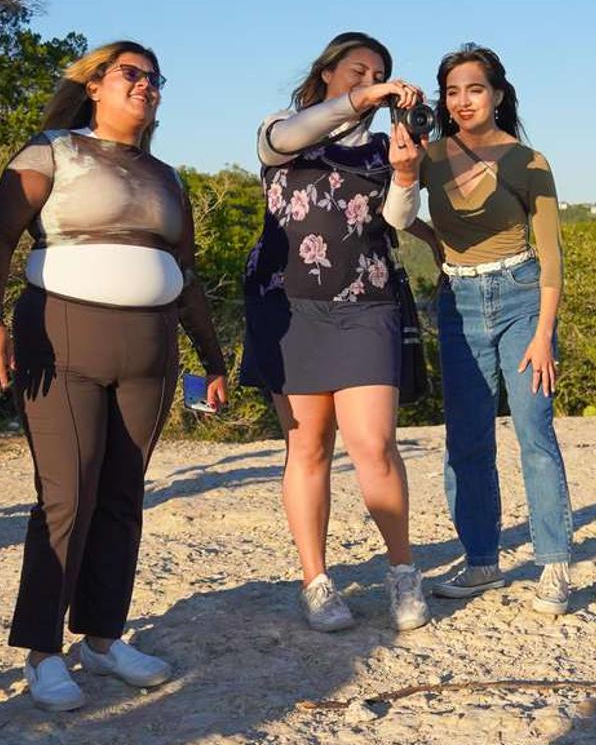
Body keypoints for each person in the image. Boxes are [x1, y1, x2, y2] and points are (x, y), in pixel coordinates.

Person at [0, 41, 229, 713]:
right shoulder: (51, 151)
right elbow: (0, 238)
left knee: (122, 493)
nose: (145, 85)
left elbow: (186, 273)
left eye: (154, 77)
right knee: (68, 494)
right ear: (94, 85)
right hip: (62, 336)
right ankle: (42, 650)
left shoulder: (167, 176)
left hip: (151, 349)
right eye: (130, 74)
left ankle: (104, 638)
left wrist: (212, 357)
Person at [238, 32, 432, 633]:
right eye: (358, 70)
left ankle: (402, 570)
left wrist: (406, 174)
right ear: (327, 72)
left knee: (374, 444)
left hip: (365, 303)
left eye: (379, 74)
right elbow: (293, 136)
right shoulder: (281, 130)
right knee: (309, 446)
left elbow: (398, 219)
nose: (369, 81)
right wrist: (363, 98)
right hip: (287, 306)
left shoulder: (382, 149)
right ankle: (315, 582)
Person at [382, 44, 575, 614]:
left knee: (534, 431)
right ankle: (483, 561)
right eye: (452, 91)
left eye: (474, 89)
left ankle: (554, 562)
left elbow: (552, 254)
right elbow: (396, 217)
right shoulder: (430, 155)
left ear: (497, 94)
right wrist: (424, 218)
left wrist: (543, 334)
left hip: (521, 297)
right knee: (466, 439)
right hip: (458, 300)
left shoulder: (528, 162)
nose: (462, 101)